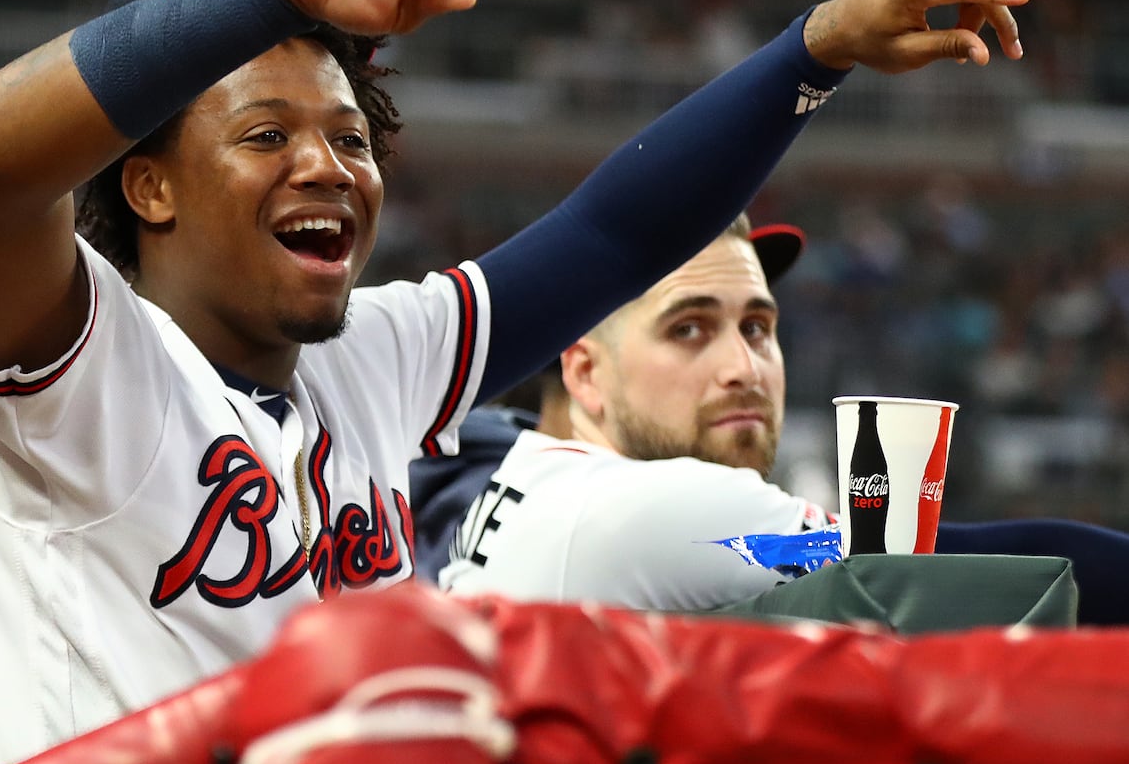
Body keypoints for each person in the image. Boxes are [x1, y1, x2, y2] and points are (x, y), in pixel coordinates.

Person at [0, 0, 1029, 764]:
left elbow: (609, 236)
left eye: (351, 138)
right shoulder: (74, 368)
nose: (326, 165)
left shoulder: (360, 361)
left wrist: (813, 49)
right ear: (148, 187)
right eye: (264, 134)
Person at [430, 216, 1129, 625]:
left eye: (758, 326)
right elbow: (960, 566)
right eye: (688, 329)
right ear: (583, 371)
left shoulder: (519, 464)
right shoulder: (662, 508)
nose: (745, 367)